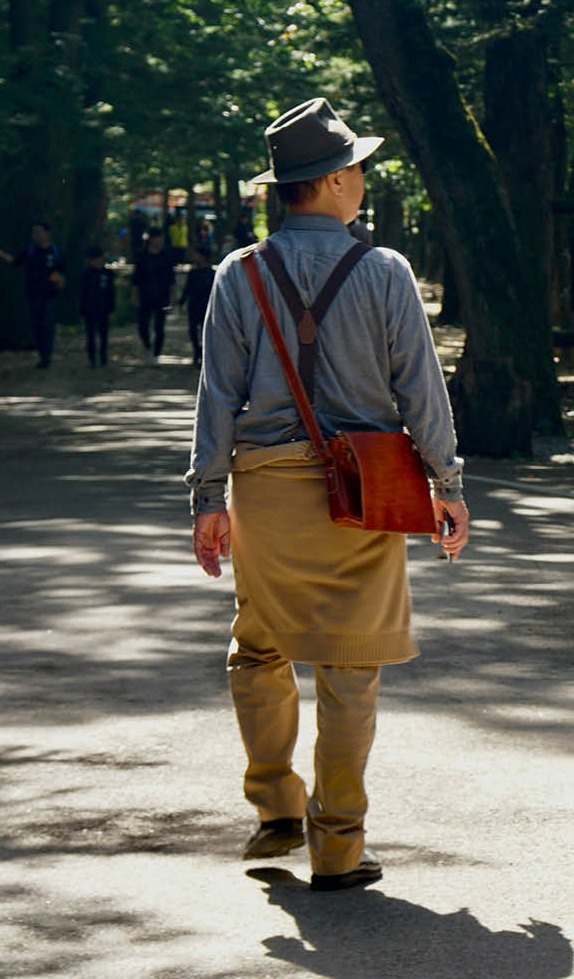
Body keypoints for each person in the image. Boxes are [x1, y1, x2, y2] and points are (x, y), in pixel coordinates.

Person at [186, 96, 470, 893]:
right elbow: (420, 388)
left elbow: (217, 394)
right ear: (339, 179)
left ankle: (276, 803)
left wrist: (209, 497)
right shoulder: (384, 272)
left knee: (259, 644)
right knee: (350, 669)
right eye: (361, 168)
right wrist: (446, 484)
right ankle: (338, 846)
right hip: (364, 490)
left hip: (266, 490)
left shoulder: (237, 274)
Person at [0, 221, 63, 369]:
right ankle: (42, 354)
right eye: (34, 232)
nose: (36, 235)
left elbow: (63, 270)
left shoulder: (55, 252)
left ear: (47, 233)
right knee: (37, 325)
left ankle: (47, 354)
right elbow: (16, 261)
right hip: (34, 294)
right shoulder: (30, 251)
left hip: (50, 294)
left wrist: (59, 280)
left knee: (48, 325)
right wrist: (1, 255)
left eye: (38, 232)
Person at [134, 229, 176, 363]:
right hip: (145, 294)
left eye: (161, 238)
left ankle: (157, 353)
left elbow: (171, 278)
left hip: (162, 295)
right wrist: (134, 296)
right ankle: (147, 346)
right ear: (151, 239)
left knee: (160, 326)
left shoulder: (166, 256)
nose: (159, 241)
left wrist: (173, 295)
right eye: (157, 238)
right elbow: (136, 279)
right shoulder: (142, 256)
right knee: (143, 325)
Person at [80, 246, 117, 368]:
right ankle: (92, 358)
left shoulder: (108, 274)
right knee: (90, 335)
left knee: (104, 334)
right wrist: (82, 309)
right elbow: (82, 293)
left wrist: (112, 309)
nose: (97, 261)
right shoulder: (86, 274)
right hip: (90, 308)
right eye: (94, 259)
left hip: (104, 308)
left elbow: (111, 292)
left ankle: (103, 356)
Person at [181, 247, 216, 369]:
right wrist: (182, 302)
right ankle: (197, 350)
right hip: (193, 305)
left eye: (197, 255)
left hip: (207, 306)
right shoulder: (193, 273)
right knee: (192, 330)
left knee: (205, 331)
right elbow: (187, 289)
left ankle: (204, 354)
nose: (195, 257)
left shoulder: (212, 273)